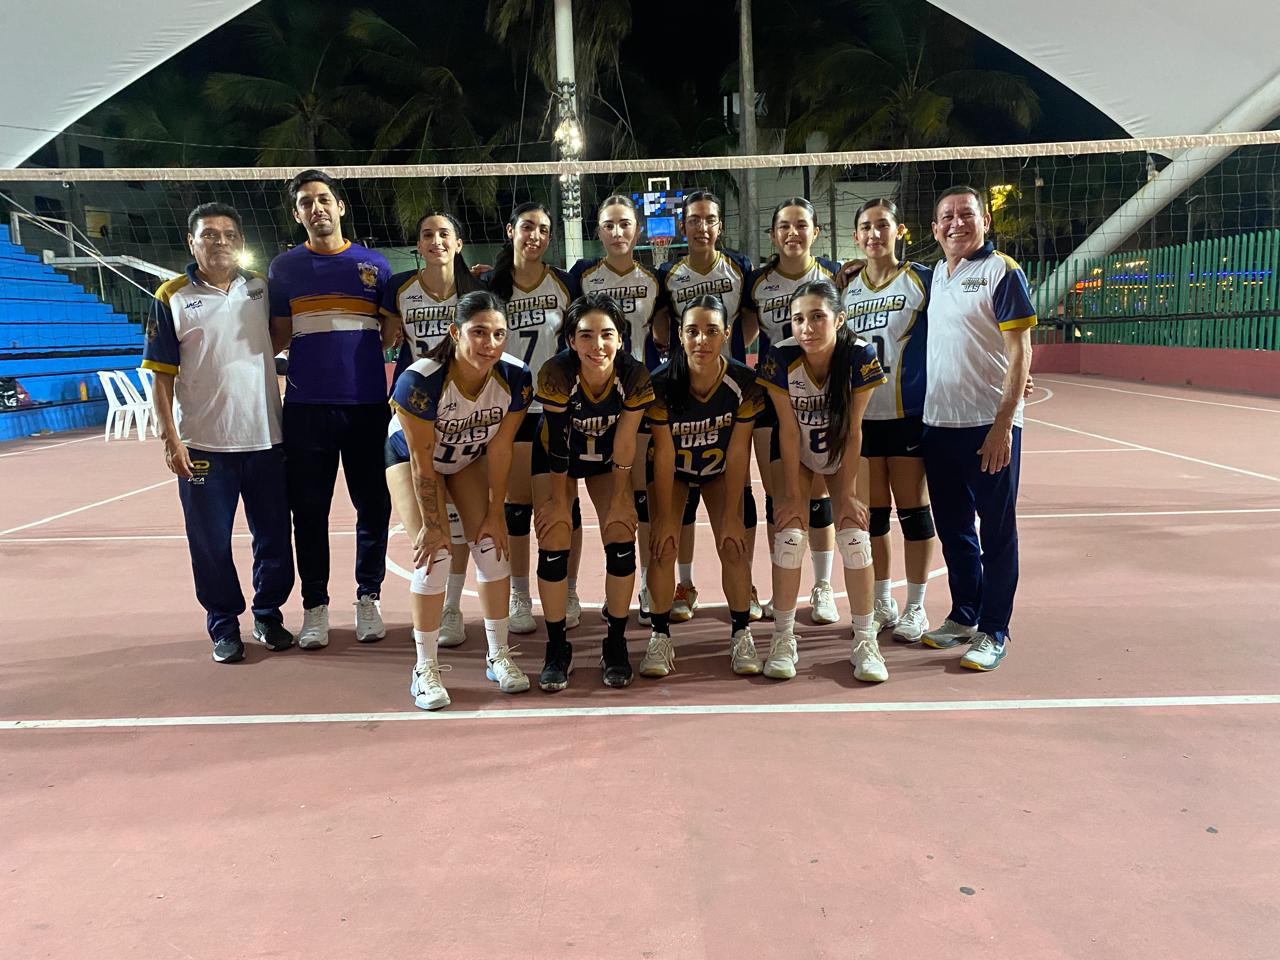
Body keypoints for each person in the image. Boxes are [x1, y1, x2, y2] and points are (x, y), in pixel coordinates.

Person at [143, 202, 294, 663]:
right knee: (209, 544)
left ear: (240, 242)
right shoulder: (171, 295)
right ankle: (224, 625)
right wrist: (170, 438)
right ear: (192, 242)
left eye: (229, 234)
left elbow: (278, 338)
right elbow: (161, 376)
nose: (220, 241)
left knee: (274, 537)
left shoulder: (261, 288)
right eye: (209, 234)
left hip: (266, 439)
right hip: (204, 444)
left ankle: (268, 614)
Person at [268, 169, 394, 650]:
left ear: (340, 206)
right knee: (309, 512)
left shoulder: (374, 265)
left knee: (373, 507)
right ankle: (315, 606)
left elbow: (390, 332)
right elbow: (278, 335)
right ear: (297, 213)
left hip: (366, 407)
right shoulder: (285, 268)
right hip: (306, 409)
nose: (316, 208)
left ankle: (368, 597)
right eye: (306, 202)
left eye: (323, 199)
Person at [390, 290, 533, 709]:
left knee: (491, 547)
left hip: (466, 457)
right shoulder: (420, 380)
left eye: (499, 334)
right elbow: (423, 463)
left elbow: (501, 448)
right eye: (479, 332)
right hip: (413, 460)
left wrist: (495, 512)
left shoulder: (515, 376)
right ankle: (424, 669)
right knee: (434, 555)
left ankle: (498, 655)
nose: (490, 343)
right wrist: (434, 526)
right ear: (455, 332)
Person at [918, 186, 1036, 671]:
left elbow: (1021, 351)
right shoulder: (935, 276)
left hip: (988, 425)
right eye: (947, 216)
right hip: (939, 423)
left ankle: (994, 629)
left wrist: (1003, 424)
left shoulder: (1001, 271)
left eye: (966, 214)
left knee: (997, 531)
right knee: (954, 529)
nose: (956, 223)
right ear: (934, 229)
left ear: (985, 220)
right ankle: (964, 614)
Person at [759, 280, 888, 682]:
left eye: (817, 317)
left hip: (842, 445)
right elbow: (788, 430)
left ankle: (865, 640)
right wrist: (792, 496)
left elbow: (853, 428)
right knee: (790, 535)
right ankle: (783, 637)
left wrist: (846, 495)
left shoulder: (859, 355)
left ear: (839, 319)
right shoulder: (781, 357)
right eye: (798, 319)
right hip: (796, 447)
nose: (807, 327)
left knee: (855, 535)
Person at [532, 293, 654, 691]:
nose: (596, 345)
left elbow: (626, 441)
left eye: (606, 335)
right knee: (554, 533)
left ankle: (615, 643)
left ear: (620, 338)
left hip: (607, 457)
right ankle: (557, 647)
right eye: (585, 335)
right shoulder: (556, 372)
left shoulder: (634, 376)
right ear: (571, 340)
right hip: (557, 456)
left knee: (620, 532)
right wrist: (558, 501)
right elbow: (557, 441)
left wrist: (620, 498)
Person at [641, 295, 765, 678]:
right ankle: (659, 636)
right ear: (680, 335)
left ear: (727, 334)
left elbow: (740, 451)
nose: (701, 340)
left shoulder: (743, 382)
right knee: (663, 545)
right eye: (692, 331)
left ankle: (741, 633)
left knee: (733, 544)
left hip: (719, 471)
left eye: (711, 331)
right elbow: (663, 453)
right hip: (675, 471)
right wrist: (665, 517)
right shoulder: (661, 383)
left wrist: (732, 515)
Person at [381, 211, 483, 649]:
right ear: (418, 245)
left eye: (444, 233)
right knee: (429, 521)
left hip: (464, 414)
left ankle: (451, 607)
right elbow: (386, 339)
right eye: (427, 234)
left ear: (458, 244)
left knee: (458, 524)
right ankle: (433, 612)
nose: (436, 240)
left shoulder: (476, 291)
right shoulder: (400, 289)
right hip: (416, 412)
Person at [653, 190, 755, 623]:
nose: (701, 226)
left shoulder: (739, 268)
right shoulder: (668, 274)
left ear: (719, 225)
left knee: (737, 506)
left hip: (725, 386)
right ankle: (682, 585)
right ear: (683, 226)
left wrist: (728, 351)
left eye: (709, 219)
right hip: (683, 387)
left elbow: (751, 315)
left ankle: (744, 591)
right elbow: (660, 323)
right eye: (693, 219)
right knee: (674, 515)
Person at [742, 197, 842, 627]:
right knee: (779, 496)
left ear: (815, 231)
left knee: (818, 495)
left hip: (822, 395)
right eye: (784, 226)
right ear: (773, 235)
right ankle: (779, 586)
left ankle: (823, 586)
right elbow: (743, 334)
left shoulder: (834, 275)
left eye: (801, 225)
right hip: (775, 394)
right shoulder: (757, 283)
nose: (792, 233)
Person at [481, 203, 579, 635]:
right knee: (516, 508)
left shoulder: (564, 283)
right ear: (511, 231)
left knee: (564, 505)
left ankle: (569, 589)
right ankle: (519, 594)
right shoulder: (492, 286)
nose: (535, 235)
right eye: (527, 227)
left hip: (555, 407)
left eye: (543, 229)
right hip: (510, 409)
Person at [841, 198, 935, 642]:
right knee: (873, 517)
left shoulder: (922, 280)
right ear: (856, 236)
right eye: (866, 227)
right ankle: (883, 600)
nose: (874, 234)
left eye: (883, 225)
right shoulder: (846, 287)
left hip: (907, 414)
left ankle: (916, 605)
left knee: (913, 512)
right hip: (864, 418)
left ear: (900, 231)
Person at [569, 195, 662, 625]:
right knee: (574, 501)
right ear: (598, 231)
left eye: (625, 224)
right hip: (590, 398)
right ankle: (568, 591)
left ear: (637, 230)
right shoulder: (582, 276)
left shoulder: (656, 278)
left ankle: (645, 584)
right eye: (609, 225)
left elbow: (667, 329)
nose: (617, 232)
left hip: (636, 398)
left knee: (638, 499)